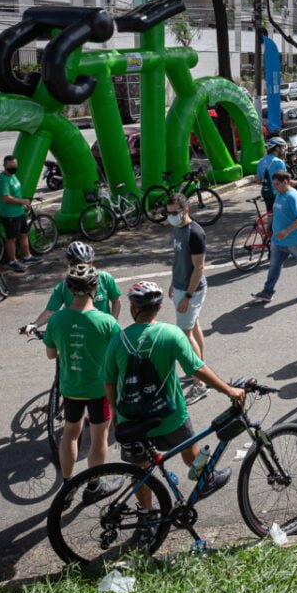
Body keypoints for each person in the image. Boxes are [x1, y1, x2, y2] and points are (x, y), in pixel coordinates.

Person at [103, 282, 245, 521]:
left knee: (140, 472)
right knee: (191, 449)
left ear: (133, 308)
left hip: (133, 421)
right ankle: (205, 480)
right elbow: (196, 368)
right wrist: (229, 390)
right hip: (169, 416)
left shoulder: (119, 340)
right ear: (159, 308)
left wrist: (117, 413)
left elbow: (108, 381)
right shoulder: (171, 334)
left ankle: (146, 516)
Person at [43, 264, 121, 487]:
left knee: (70, 432)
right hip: (100, 390)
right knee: (99, 437)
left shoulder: (56, 320)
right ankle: (94, 485)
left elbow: (51, 354)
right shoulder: (107, 322)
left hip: (71, 387)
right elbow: (119, 358)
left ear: (68, 288)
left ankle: (67, 484)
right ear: (95, 288)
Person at [252, 170, 297, 302]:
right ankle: (268, 292)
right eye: (273, 184)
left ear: (285, 182)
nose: (275, 187)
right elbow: (277, 213)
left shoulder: (293, 197)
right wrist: (270, 229)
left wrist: (286, 231)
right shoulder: (279, 193)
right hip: (278, 240)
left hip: (294, 240)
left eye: (277, 184)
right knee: (274, 265)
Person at [165, 193, 209, 402]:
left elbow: (199, 268)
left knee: (185, 335)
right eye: (169, 213)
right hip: (182, 286)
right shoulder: (178, 228)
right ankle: (200, 366)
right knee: (194, 326)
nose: (171, 217)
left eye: (175, 213)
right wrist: (174, 282)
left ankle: (199, 383)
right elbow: (179, 259)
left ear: (185, 210)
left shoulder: (195, 233)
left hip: (191, 290)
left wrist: (187, 297)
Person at [23, 241, 121, 333]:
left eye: (86, 265)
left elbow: (116, 300)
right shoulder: (62, 287)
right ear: (69, 264)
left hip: (101, 332)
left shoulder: (105, 278)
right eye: (78, 265)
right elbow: (50, 311)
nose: (82, 270)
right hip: (75, 334)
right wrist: (34, 325)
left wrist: (113, 323)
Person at [0, 155, 36, 273]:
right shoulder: (3, 179)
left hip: (19, 211)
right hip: (9, 214)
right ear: (4, 166)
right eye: (11, 165)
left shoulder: (13, 176)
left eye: (15, 165)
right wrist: (22, 201)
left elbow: (16, 193)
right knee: (11, 238)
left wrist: (22, 203)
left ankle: (27, 256)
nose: (13, 167)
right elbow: (5, 197)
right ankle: (12, 261)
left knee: (24, 234)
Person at [255, 137, 289, 213]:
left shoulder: (260, 161)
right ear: (277, 148)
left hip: (266, 193)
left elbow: (258, 181)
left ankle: (269, 225)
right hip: (278, 193)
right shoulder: (279, 162)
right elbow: (286, 181)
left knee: (270, 214)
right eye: (282, 147)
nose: (283, 150)